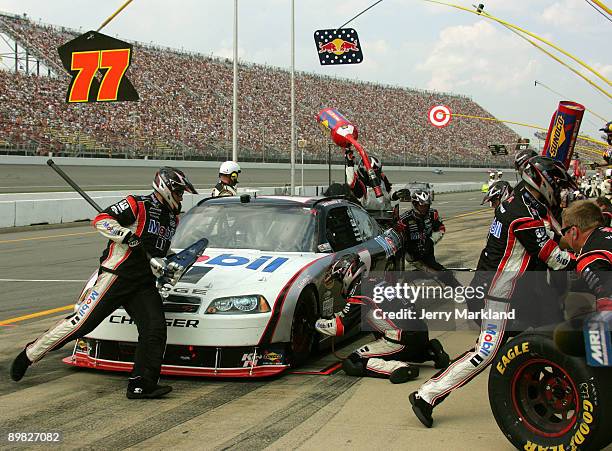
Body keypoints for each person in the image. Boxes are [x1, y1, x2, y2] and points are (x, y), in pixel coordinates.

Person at [409, 156, 577, 428]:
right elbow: (554, 258)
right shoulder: (523, 211)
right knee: (485, 352)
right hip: (496, 295)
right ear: (542, 181)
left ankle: (531, 399)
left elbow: (555, 230)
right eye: (557, 184)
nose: (560, 190)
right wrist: (587, 261)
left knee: (530, 345)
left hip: (509, 292)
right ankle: (425, 395)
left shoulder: (525, 200)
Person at [9, 167, 198, 399]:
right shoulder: (137, 203)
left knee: (154, 328)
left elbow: (158, 250)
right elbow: (101, 220)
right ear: (167, 188)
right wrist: (125, 235)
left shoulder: (173, 219)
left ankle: (141, 384)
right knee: (82, 324)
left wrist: (164, 265)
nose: (181, 197)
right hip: (116, 276)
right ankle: (29, 354)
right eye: (179, 192)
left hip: (143, 283)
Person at [314, 254, 450, 383]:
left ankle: (399, 368)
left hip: (401, 338)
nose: (339, 284)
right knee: (404, 348)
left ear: (346, 274)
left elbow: (340, 327)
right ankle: (431, 351)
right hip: (420, 332)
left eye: (339, 280)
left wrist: (316, 323)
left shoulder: (359, 291)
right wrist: (332, 317)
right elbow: (350, 314)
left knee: (353, 362)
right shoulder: (375, 281)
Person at [396, 189, 460, 288]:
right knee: (438, 273)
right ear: (415, 204)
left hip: (428, 251)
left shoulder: (432, 214)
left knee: (436, 272)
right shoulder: (404, 219)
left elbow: (441, 229)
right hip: (413, 255)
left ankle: (408, 278)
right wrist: (407, 252)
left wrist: (431, 240)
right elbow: (398, 239)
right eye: (422, 205)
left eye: (426, 205)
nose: (424, 208)